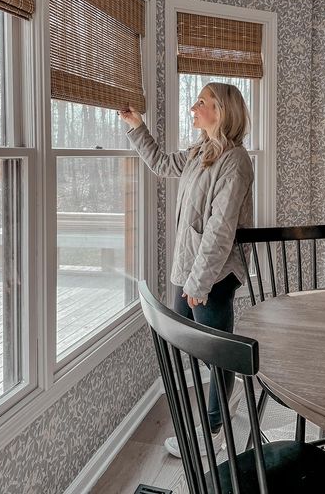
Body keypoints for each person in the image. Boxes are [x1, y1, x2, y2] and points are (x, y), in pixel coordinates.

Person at [119, 82, 254, 458]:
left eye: (202, 102)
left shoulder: (236, 161)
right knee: (185, 342)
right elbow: (162, 164)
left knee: (217, 351)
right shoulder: (202, 151)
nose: (193, 108)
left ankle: (213, 429)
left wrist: (200, 283)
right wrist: (136, 126)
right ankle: (223, 407)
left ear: (221, 112)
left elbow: (220, 229)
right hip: (188, 269)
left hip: (212, 274)